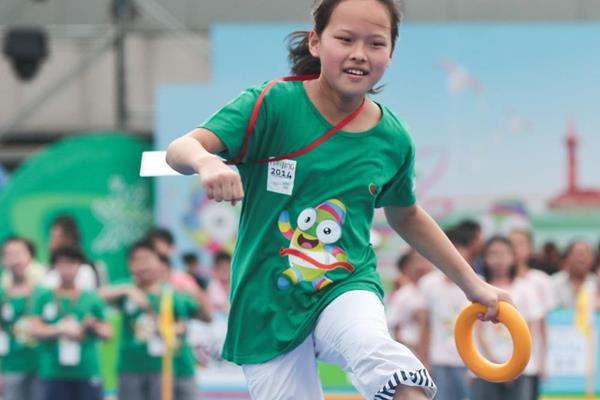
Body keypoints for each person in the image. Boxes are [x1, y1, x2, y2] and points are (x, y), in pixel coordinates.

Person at [165, 0, 511, 398]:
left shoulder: (392, 138)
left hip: (344, 283)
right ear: (315, 42)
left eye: (376, 43)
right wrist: (207, 162)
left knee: (376, 350)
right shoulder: (272, 104)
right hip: (267, 303)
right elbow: (180, 149)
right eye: (345, 39)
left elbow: (407, 214)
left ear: (391, 54)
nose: (359, 54)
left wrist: (472, 284)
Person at [100, 240, 209, 400]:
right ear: (130, 265)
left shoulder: (172, 293)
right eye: (136, 260)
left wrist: (194, 290)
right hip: (130, 366)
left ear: (160, 263)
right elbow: (96, 296)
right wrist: (127, 290)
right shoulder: (126, 288)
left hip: (162, 367)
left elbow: (200, 317)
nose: (142, 265)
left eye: (147, 259)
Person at [31, 246, 112, 400]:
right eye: (62, 264)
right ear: (55, 267)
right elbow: (34, 329)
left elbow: (108, 333)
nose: (67, 269)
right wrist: (60, 329)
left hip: (87, 369)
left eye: (72, 264)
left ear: (80, 267)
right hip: (53, 370)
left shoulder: (92, 297)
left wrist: (93, 326)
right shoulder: (44, 296)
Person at [472, 236, 543, 400]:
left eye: (504, 254)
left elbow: (530, 328)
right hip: (485, 366)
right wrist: (495, 362)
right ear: (485, 258)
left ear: (513, 257)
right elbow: (477, 329)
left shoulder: (525, 288)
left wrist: (514, 364)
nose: (499, 259)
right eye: (494, 254)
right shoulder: (478, 288)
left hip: (521, 368)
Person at [418, 228, 470, 400]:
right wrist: (423, 358)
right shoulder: (429, 284)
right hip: (439, 358)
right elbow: (425, 324)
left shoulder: (477, 284)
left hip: (468, 360)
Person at [509, 229, 554, 399]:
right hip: (504, 353)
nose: (515, 248)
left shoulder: (540, 280)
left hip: (531, 359)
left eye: (520, 243)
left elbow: (544, 324)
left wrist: (543, 360)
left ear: (530, 249)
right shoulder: (494, 282)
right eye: (511, 243)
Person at [0, 237, 43, 400]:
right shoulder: (2, 295)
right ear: (3, 261)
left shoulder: (45, 293)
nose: (14, 260)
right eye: (8, 255)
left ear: (30, 256)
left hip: (42, 367)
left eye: (18, 253)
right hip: (12, 368)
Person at [386, 249, 431, 361]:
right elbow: (394, 327)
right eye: (419, 260)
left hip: (433, 357)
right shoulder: (404, 294)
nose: (424, 265)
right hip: (410, 356)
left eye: (426, 260)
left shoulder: (431, 290)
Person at [46, 215, 100, 289]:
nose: (50, 243)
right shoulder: (48, 270)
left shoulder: (87, 269)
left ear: (69, 239)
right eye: (51, 237)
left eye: (55, 237)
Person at [551, 240, 596, 308]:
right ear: (567, 258)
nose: (581, 258)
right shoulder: (554, 282)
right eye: (577, 254)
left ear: (592, 259)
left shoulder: (597, 283)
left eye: (585, 254)